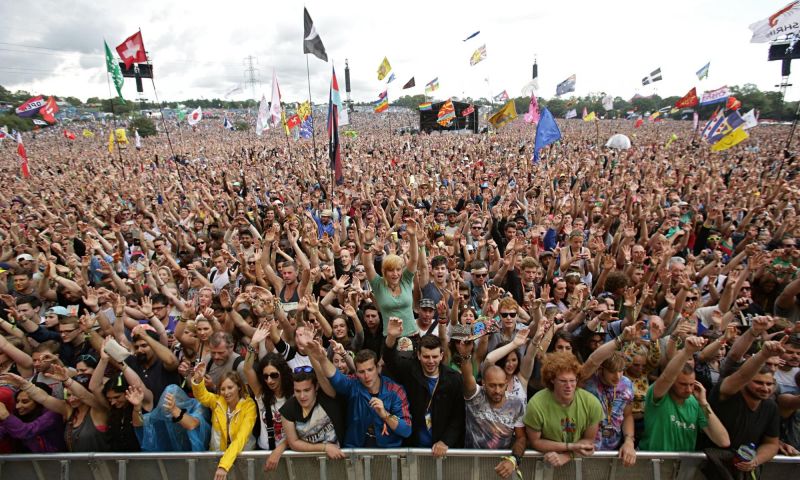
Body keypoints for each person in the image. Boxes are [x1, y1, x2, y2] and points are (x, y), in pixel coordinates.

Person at [306, 337, 412, 448]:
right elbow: (336, 378)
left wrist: (385, 415)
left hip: (387, 454)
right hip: (356, 450)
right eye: (361, 372)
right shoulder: (353, 384)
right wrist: (322, 359)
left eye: (370, 370)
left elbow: (406, 429)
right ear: (355, 372)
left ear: (377, 368)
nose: (366, 376)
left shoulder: (395, 390)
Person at [703, 338, 786, 479]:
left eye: (769, 384)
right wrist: (764, 354)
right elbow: (742, 375)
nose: (765, 388)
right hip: (707, 469)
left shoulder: (770, 407)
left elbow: (771, 443)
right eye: (759, 382)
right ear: (746, 382)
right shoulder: (727, 393)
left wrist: (756, 460)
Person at [383, 317, 465, 456]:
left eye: (434, 356)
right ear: (419, 355)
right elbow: (390, 360)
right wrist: (391, 337)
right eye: (426, 357)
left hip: (441, 449)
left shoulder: (454, 379)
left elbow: (458, 417)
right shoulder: (410, 370)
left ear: (441, 356)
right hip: (413, 446)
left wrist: (445, 441)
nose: (431, 361)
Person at [639, 336, 730, 451]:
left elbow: (723, 441)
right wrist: (687, 351)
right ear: (672, 383)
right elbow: (667, 376)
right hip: (653, 464)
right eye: (683, 384)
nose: (688, 390)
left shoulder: (696, 403)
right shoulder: (658, 395)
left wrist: (704, 403)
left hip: (681, 467)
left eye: (691, 384)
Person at [524, 351, 603, 467]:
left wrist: (566, 456)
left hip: (577, 461)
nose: (569, 386)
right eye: (563, 381)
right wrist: (570, 447)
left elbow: (588, 441)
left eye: (572, 381)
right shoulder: (536, 404)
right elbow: (535, 441)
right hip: (543, 461)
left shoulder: (592, 403)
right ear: (552, 380)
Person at [461, 337, 526, 479]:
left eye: (501, 385)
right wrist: (466, 357)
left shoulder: (517, 404)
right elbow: (467, 378)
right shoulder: (476, 396)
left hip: (501, 468)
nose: (497, 390)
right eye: (492, 385)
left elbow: (521, 438)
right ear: (483, 383)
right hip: (472, 467)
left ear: (506, 382)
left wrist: (514, 460)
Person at [191, 362, 256, 480]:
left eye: (230, 387)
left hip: (242, 460)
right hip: (217, 459)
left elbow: (241, 438)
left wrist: (224, 465)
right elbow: (202, 396)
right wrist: (198, 379)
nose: (226, 392)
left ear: (239, 387)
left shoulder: (249, 406)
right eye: (222, 389)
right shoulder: (217, 401)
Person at [361, 219, 420, 337]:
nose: (395, 274)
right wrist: (367, 242)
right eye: (391, 270)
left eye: (398, 269)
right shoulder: (378, 284)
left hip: (412, 336)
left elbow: (414, 259)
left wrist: (413, 236)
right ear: (384, 271)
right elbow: (367, 266)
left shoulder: (406, 280)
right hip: (390, 338)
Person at [278, 365, 346, 460]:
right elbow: (293, 443)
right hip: (308, 465)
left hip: (339, 460)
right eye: (297, 391)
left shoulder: (327, 396)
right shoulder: (288, 409)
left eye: (307, 390)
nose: (302, 396)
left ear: (316, 387)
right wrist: (325, 448)